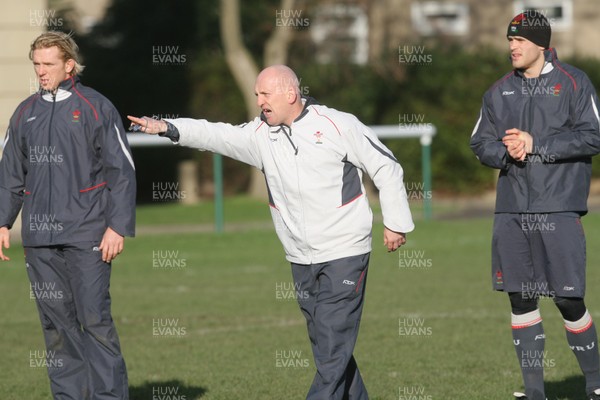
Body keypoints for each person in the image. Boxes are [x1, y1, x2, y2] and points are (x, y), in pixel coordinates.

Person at [128, 64, 414, 400]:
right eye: (256, 95)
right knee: (327, 345)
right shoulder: (260, 134)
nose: (259, 102)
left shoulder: (338, 124)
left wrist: (395, 221)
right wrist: (170, 127)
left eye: (265, 94)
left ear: (290, 94)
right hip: (299, 256)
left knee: (333, 342)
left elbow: (386, 166)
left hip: (345, 251)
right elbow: (216, 135)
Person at [470, 10, 600, 400]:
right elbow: (479, 143)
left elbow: (593, 137)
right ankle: (535, 392)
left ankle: (595, 384)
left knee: (567, 297)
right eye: (510, 40)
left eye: (521, 41)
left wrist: (537, 144)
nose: (513, 46)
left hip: (558, 206)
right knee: (520, 296)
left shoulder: (574, 83)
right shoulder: (498, 91)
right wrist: (505, 152)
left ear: (541, 44)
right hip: (511, 210)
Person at [0, 31, 136, 399]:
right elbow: (11, 171)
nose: (41, 72)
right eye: (36, 65)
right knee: (56, 327)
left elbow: (121, 172)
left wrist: (117, 227)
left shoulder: (96, 107)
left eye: (48, 64)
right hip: (40, 242)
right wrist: (3, 220)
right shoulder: (25, 112)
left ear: (69, 65)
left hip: (88, 235)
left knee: (94, 321)